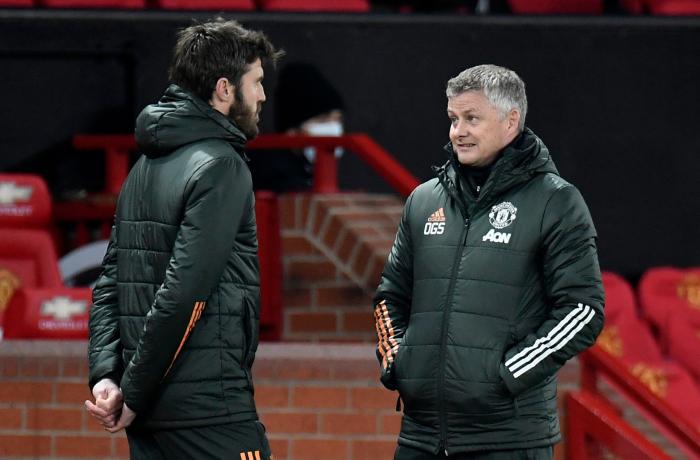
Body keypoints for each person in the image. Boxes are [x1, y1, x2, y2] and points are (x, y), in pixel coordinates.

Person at [374, 64, 604, 459]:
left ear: (511, 121)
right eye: (453, 119)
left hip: (508, 439)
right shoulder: (423, 200)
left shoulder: (556, 201)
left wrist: (507, 375)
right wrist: (398, 361)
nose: (457, 131)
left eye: (472, 118)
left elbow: (583, 310)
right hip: (420, 437)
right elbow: (389, 296)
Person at [85, 18, 282, 460]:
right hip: (208, 414)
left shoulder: (142, 167)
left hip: (149, 418)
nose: (262, 96)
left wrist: (107, 377)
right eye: (256, 82)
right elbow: (184, 294)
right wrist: (134, 393)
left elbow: (109, 284)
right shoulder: (222, 166)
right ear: (224, 89)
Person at [247, 61, 344, 192]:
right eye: (322, 120)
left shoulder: (306, 167)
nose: (334, 128)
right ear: (291, 130)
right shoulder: (268, 170)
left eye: (338, 119)